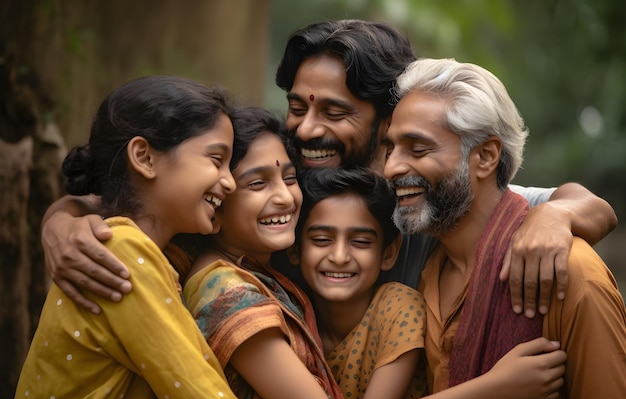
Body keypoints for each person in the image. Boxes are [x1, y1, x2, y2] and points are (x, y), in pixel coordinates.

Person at [38, 20, 617, 320]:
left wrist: (557, 216)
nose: (308, 129)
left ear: (391, 116)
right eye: (297, 106)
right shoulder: (263, 195)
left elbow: (586, 204)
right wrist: (60, 222)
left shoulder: (426, 197)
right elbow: (129, 198)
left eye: (335, 112)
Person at [181, 106, 566, 399]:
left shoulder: (261, 272)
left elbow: (546, 200)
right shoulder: (225, 290)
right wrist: (493, 390)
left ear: (388, 252)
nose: (284, 197)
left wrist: (557, 212)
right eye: (257, 183)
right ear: (219, 193)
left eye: (289, 177)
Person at [383, 57, 626, 399]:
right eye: (390, 149)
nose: (391, 167)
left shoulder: (572, 274)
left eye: (417, 149)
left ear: (485, 157)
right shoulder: (425, 273)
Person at [12, 76, 253, 399]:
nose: (229, 182)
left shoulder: (145, 249)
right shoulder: (122, 249)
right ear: (144, 157)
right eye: (216, 160)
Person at [289, 167, 427, 399]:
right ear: (295, 249)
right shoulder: (290, 317)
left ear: (389, 253)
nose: (340, 257)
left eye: (360, 242)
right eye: (321, 240)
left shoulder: (397, 308)